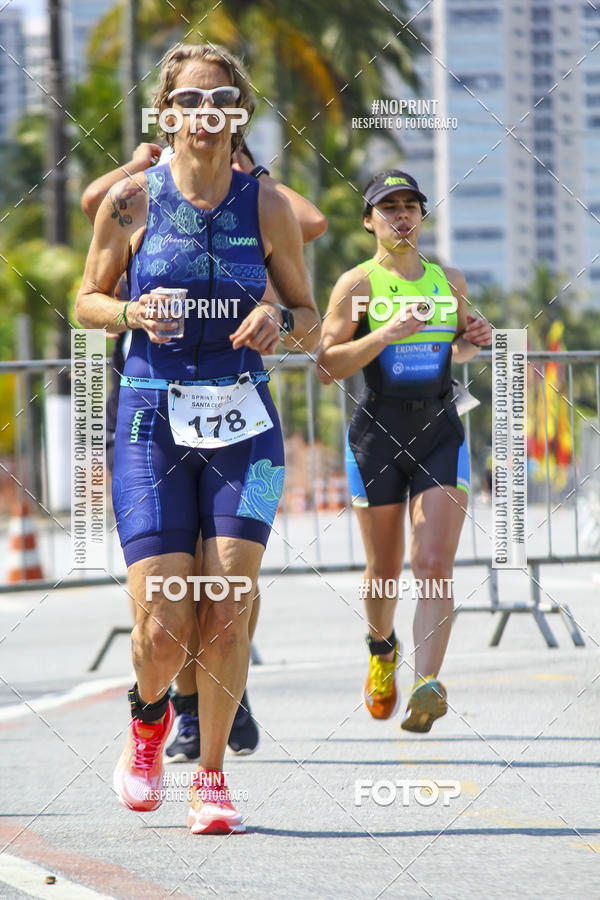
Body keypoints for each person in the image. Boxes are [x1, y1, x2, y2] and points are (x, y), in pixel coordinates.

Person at [76, 43, 320, 834]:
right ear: (166, 113)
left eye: (219, 100)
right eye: (188, 100)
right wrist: (129, 314)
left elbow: (310, 318)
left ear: (237, 113)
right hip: (150, 422)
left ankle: (211, 777)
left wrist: (279, 319)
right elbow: (86, 298)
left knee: (227, 606)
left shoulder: (269, 205)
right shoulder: (131, 202)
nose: (203, 114)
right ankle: (147, 721)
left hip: (246, 429)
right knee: (161, 621)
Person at [316, 170, 491, 732]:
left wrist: (473, 339)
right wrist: (383, 335)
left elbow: (458, 350)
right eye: (387, 207)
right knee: (384, 572)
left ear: (422, 216)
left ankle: (428, 684)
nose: (401, 216)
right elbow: (326, 366)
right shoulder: (357, 285)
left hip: (441, 430)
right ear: (369, 220)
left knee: (433, 564)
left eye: (410, 205)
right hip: (377, 435)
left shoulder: (449, 279)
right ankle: (381, 646)